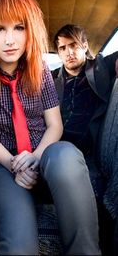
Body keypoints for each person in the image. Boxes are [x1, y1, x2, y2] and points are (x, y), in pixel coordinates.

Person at [0, 0, 101, 255]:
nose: (10, 40)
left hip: (45, 153)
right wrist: (14, 165)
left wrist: (36, 156)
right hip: (5, 163)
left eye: (19, 27)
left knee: (65, 156)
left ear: (30, 30)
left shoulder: (41, 70)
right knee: (18, 246)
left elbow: (55, 125)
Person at [52, 24, 118, 254]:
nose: (69, 52)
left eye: (74, 45)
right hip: (55, 147)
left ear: (85, 46)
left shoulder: (101, 66)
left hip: (88, 151)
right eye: (62, 48)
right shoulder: (51, 79)